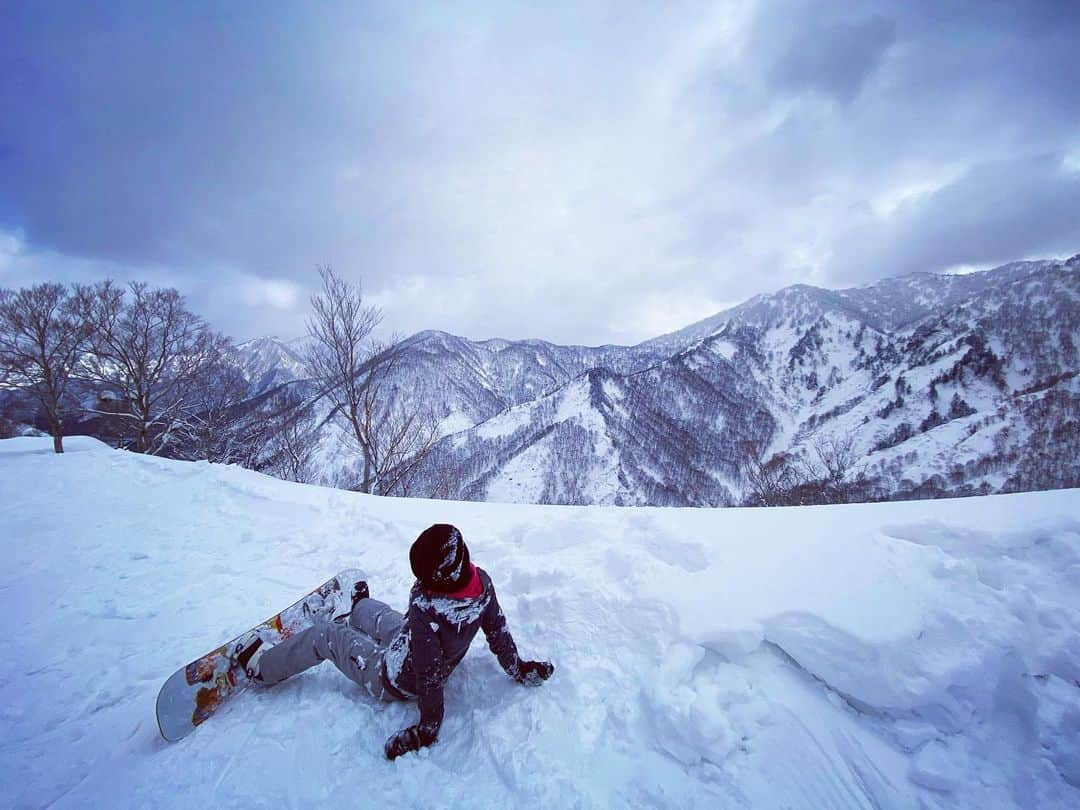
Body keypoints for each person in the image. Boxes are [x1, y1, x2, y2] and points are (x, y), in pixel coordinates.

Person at [231, 524, 555, 759]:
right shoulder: (480, 585)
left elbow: (427, 676)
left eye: (423, 578)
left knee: (326, 636)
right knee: (384, 617)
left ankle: (261, 668)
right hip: (412, 644)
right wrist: (518, 667)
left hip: (390, 677)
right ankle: (356, 608)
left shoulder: (426, 608)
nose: (419, 583)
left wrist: (426, 730)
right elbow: (497, 631)